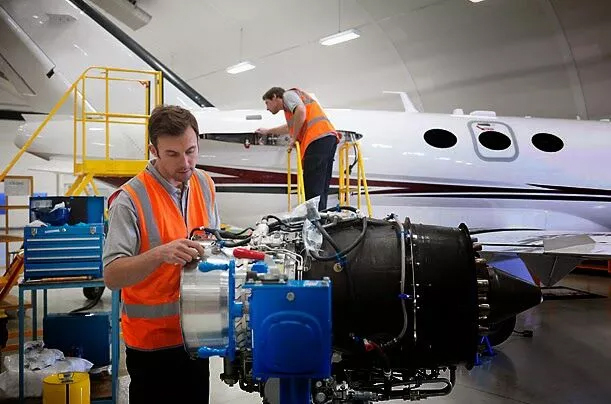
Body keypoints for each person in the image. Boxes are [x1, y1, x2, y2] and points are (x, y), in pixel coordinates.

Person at [103, 105, 220, 404]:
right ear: (153, 150)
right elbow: (113, 275)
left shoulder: (205, 184)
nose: (186, 162)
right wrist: (160, 254)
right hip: (151, 345)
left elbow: (214, 244)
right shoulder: (130, 199)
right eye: (173, 154)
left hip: (197, 337)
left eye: (191, 151)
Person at [257, 87, 340, 211]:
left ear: (275, 97)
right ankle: (321, 219)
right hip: (327, 138)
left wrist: (293, 139)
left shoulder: (288, 95)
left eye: (267, 103)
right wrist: (268, 131)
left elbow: (301, 111)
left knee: (312, 187)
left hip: (316, 139)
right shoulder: (290, 111)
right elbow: (290, 127)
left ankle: (314, 224)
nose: (267, 108)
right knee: (321, 187)